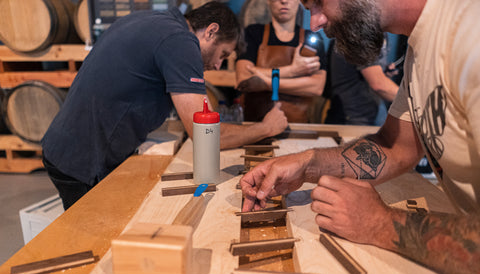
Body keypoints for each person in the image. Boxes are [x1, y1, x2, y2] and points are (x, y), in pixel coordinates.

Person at [240, 0, 480, 274]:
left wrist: (381, 224)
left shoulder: (470, 36)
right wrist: (308, 165)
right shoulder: (423, 44)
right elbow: (396, 146)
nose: (315, 22)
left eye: (317, 2)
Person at [42, 2, 288, 210]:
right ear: (211, 31)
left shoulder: (155, 22)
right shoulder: (180, 41)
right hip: (82, 161)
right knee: (96, 248)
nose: (218, 66)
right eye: (223, 54)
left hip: (70, 148)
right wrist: (266, 128)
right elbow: (204, 134)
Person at [235, 0, 327, 123]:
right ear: (268, 2)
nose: (284, 1)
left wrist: (267, 83)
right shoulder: (252, 33)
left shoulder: (311, 38)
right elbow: (244, 78)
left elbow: (316, 87)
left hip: (299, 127)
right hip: (255, 124)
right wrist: (292, 71)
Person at [324, 37, 399, 125]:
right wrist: (413, 101)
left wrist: (382, 71)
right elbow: (379, 84)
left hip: (370, 112)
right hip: (354, 118)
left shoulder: (379, 34)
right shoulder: (361, 35)